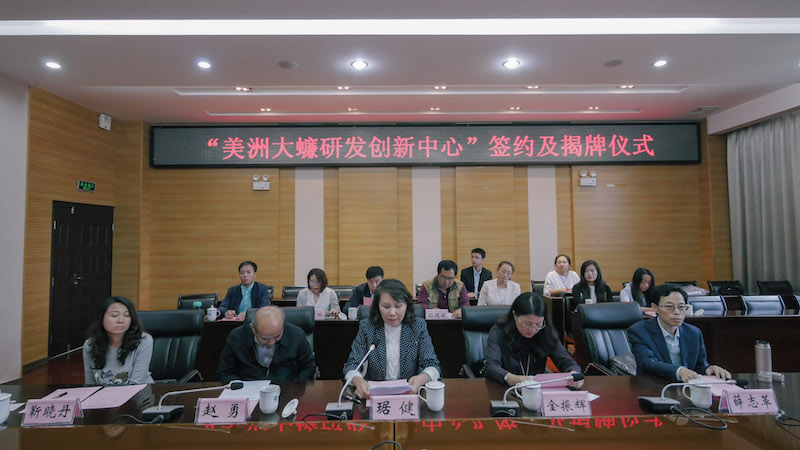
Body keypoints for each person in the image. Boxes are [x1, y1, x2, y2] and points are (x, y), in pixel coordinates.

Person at [343, 279, 440, 398]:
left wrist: (423, 378)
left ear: (407, 305)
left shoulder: (417, 326)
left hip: (409, 394)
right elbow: (352, 364)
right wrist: (358, 381)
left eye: (398, 306)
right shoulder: (368, 327)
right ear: (378, 306)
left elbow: (432, 364)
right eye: (386, 306)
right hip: (375, 395)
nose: (392, 312)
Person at [628, 285, 731, 382]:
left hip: (686, 387)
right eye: (669, 306)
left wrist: (709, 369)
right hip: (652, 386)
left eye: (681, 307)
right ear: (655, 307)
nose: (677, 312)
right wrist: (679, 371)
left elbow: (699, 367)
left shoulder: (694, 333)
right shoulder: (640, 331)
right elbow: (647, 363)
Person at [484, 293, 583, 387]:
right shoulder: (498, 332)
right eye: (527, 324)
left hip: (537, 390)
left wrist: (574, 373)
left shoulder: (545, 332)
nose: (532, 329)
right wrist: (512, 378)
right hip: (504, 388)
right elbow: (491, 365)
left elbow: (566, 360)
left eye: (538, 324)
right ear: (514, 315)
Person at [217, 306, 316, 383]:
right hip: (248, 391)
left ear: (282, 325)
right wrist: (240, 386)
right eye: (265, 339)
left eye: (277, 336)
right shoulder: (237, 337)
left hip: (286, 389)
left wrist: (294, 386)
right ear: (253, 329)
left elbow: (309, 368)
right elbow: (224, 372)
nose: (271, 343)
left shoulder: (296, 335)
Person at [83, 296, 154, 385]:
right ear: (101, 319)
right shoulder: (90, 345)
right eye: (114, 315)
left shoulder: (143, 341)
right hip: (105, 394)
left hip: (139, 392)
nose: (121, 320)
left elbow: (135, 383)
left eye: (126, 315)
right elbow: (90, 384)